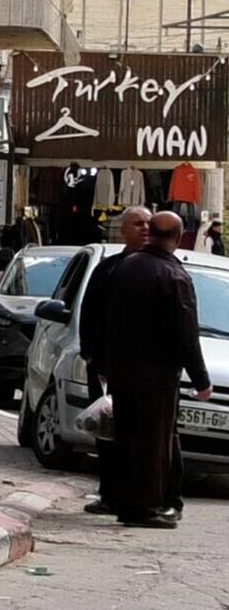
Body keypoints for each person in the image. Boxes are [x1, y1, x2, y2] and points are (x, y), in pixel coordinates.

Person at [98, 211, 215, 529]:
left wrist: (106, 364)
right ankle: (146, 507)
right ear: (177, 238)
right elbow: (186, 334)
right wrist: (201, 380)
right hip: (157, 374)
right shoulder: (173, 275)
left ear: (150, 232)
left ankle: (125, 502)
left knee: (127, 438)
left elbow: (107, 319)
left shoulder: (126, 267)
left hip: (123, 370)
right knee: (153, 443)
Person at [77, 205, 152, 517]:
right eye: (138, 224)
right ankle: (109, 494)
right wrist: (90, 353)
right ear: (123, 230)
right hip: (107, 368)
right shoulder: (108, 269)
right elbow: (90, 311)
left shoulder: (160, 268)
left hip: (146, 369)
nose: (145, 229)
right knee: (107, 431)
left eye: (149, 224)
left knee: (140, 435)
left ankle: (137, 496)